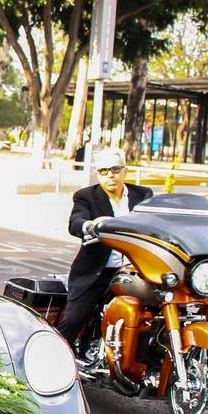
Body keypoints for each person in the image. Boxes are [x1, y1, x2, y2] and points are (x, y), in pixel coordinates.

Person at [58, 148, 154, 345]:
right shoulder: (86, 196)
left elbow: (157, 220)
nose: (111, 175)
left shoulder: (143, 194)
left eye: (116, 168)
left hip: (134, 272)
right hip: (97, 272)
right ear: (98, 174)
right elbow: (75, 221)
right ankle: (57, 359)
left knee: (153, 315)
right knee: (74, 320)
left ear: (125, 170)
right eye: (103, 170)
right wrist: (89, 226)